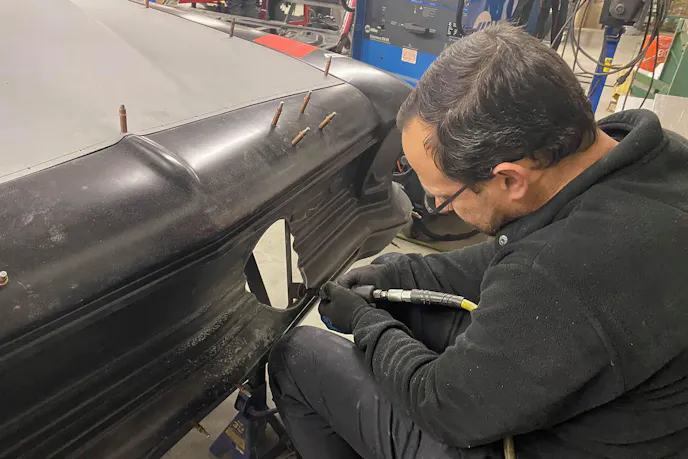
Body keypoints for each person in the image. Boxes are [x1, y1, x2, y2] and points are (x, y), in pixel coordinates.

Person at [268, 23, 688, 459]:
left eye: (443, 197)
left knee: (299, 357)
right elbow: (508, 256)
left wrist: (365, 323)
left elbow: (444, 408)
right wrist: (398, 273)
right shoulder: (650, 161)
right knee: (405, 308)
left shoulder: (563, 274)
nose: (435, 206)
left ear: (511, 179)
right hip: (615, 404)